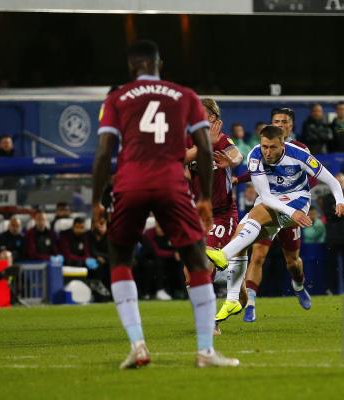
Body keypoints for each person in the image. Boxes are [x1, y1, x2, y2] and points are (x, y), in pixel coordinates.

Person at [92, 40, 238, 369]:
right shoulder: (185, 95)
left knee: (121, 260)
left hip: (130, 184)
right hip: (171, 184)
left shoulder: (116, 99)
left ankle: (138, 345)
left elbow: (103, 153)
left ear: (132, 67)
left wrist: (95, 202)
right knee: (197, 262)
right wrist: (202, 199)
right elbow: (204, 146)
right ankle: (205, 351)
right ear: (161, 63)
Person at [206, 125, 344, 312]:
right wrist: (290, 213)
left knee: (292, 262)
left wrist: (340, 201)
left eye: (272, 147)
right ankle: (235, 301)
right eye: (265, 146)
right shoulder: (255, 156)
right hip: (271, 201)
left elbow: (332, 181)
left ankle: (225, 256)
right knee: (242, 232)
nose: (267, 151)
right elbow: (265, 196)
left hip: (298, 199)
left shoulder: (299, 154)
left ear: (283, 145)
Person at [234, 107, 315, 323]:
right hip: (267, 206)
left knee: (293, 262)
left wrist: (301, 200)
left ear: (291, 125)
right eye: (276, 121)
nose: (279, 124)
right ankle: (250, 303)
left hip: (291, 209)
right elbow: (254, 171)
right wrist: (237, 180)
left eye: (284, 121)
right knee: (257, 255)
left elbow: (313, 178)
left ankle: (298, 284)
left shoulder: (300, 149)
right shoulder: (263, 148)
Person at [183, 97, 244, 327]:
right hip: (197, 213)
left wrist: (231, 161)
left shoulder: (222, 139)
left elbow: (237, 155)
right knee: (189, 272)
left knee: (205, 262)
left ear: (212, 117)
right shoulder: (189, 139)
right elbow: (179, 162)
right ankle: (234, 278)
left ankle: (211, 323)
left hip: (221, 212)